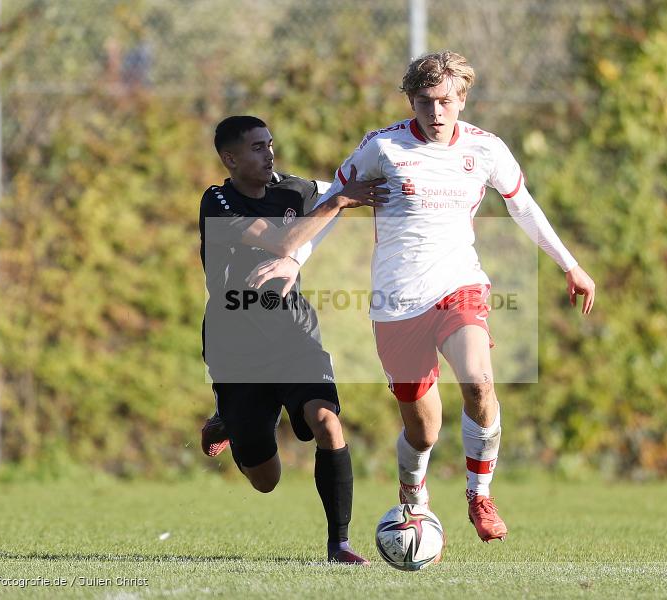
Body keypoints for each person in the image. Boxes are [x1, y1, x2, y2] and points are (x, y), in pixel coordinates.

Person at [247, 52, 596, 543]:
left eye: (447, 101)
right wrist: (294, 258)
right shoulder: (382, 147)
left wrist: (571, 265)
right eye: (425, 102)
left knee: (478, 382)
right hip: (396, 302)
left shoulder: (486, 149)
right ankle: (414, 496)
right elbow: (335, 204)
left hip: (459, 287)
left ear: (463, 98)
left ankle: (480, 494)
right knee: (423, 432)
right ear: (411, 100)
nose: (436, 112)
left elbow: (524, 207)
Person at [199, 115, 387, 564]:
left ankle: (339, 544)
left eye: (270, 144)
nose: (269, 154)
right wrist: (337, 202)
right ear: (230, 158)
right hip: (236, 345)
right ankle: (228, 415)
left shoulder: (296, 189)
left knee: (326, 421)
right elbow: (284, 244)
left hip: (293, 333)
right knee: (266, 480)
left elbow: (353, 183)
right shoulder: (218, 200)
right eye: (257, 148)